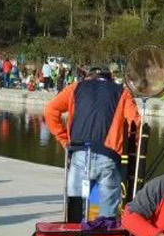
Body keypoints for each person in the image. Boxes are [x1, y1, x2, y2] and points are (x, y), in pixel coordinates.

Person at [43, 65, 141, 221]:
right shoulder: (122, 92)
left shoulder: (75, 88)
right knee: (108, 217)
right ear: (110, 79)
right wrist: (131, 151)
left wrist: (63, 139)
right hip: (109, 156)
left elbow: (50, 111)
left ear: (88, 77)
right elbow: (135, 124)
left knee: (74, 212)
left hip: (79, 153)